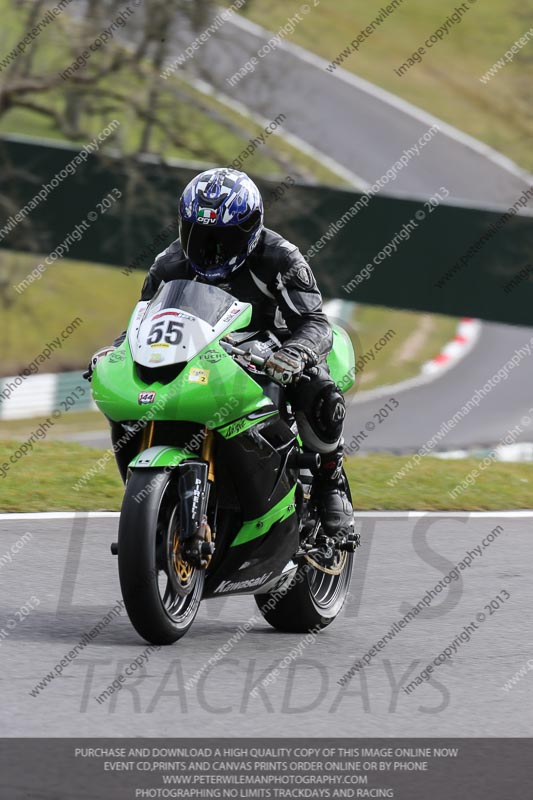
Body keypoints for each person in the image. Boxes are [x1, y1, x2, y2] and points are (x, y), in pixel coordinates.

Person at [85, 168, 353, 540]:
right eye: (198, 234)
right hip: (204, 353)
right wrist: (117, 351)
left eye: (222, 238)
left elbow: (315, 322)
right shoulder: (168, 264)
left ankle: (330, 480)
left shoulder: (281, 259)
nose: (208, 248)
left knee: (318, 386)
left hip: (271, 351)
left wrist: (296, 352)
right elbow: (144, 320)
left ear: (251, 228)